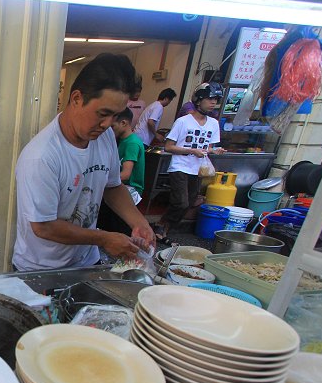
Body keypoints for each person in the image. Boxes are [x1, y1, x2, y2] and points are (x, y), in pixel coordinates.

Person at [12, 53, 155, 271]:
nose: (107, 124)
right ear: (77, 98)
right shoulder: (42, 156)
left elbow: (113, 186)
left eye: (115, 116)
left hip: (87, 261)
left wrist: (138, 222)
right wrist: (105, 239)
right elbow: (44, 227)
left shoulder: (104, 136)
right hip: (41, 269)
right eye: (103, 113)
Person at [153, 82, 227, 244]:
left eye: (215, 99)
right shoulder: (183, 122)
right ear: (199, 100)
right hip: (180, 166)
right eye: (209, 98)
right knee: (181, 202)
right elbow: (169, 146)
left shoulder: (213, 124)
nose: (213, 102)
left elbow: (207, 147)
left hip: (198, 169)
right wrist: (192, 151)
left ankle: (163, 229)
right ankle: (160, 225)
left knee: (190, 203)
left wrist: (214, 151)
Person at [96, 107, 146, 235]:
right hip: (118, 183)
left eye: (112, 126)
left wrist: (97, 179)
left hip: (131, 189)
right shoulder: (120, 140)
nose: (108, 130)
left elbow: (125, 174)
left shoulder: (132, 143)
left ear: (124, 123)